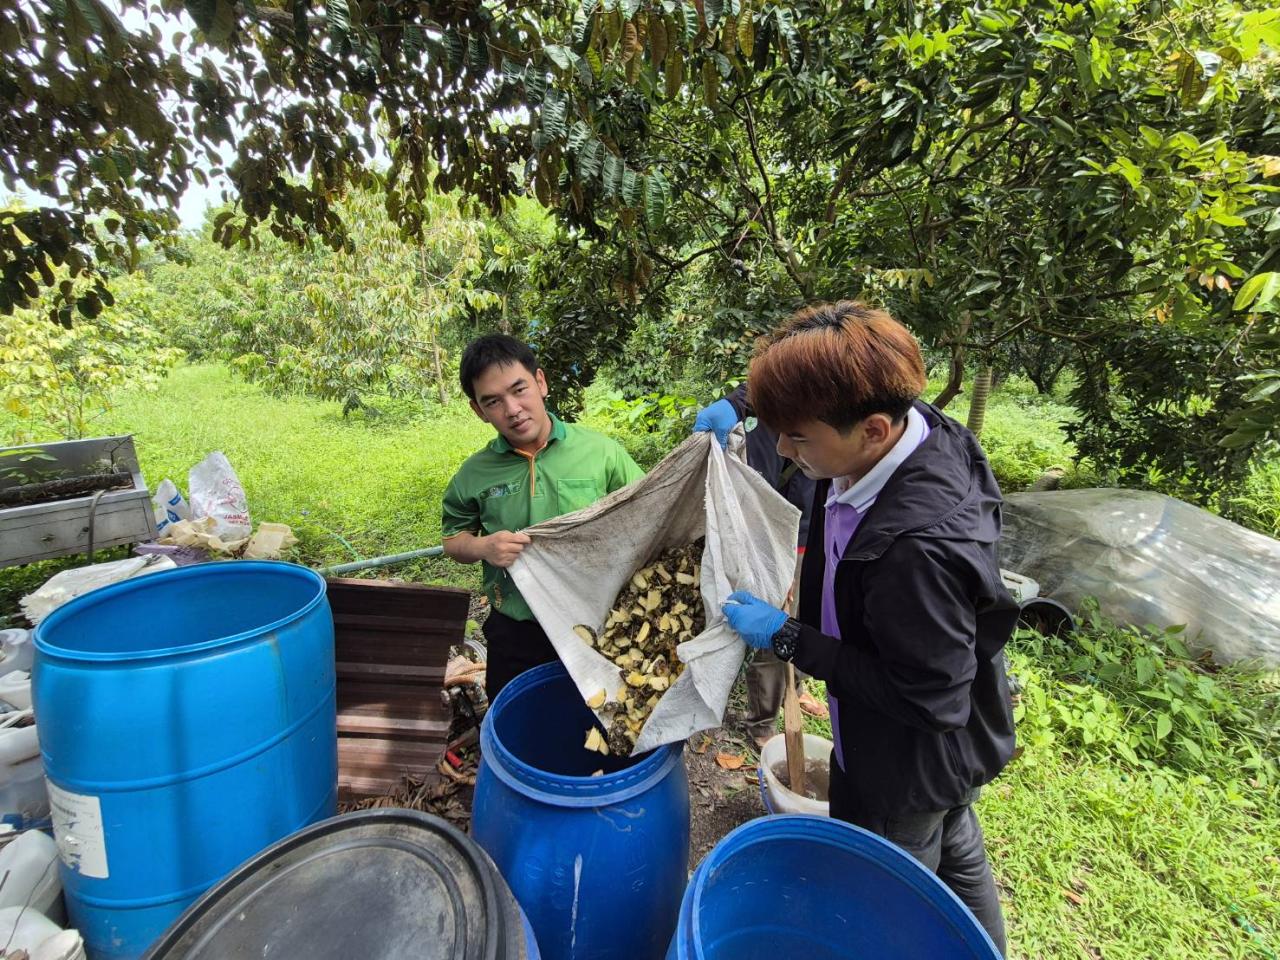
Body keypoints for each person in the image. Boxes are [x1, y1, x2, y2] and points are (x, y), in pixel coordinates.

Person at [718, 301, 1017, 954]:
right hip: (947, 754)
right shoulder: (900, 425)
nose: (785, 452)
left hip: (904, 766)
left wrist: (789, 638)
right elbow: (820, 373)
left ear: (874, 430)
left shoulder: (917, 552)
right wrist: (741, 404)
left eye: (797, 438)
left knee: (882, 900)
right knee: (955, 850)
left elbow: (930, 700)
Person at [442, 335, 645, 702]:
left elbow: (646, 514)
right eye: (493, 401)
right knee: (521, 719)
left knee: (607, 716)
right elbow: (453, 539)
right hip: (517, 628)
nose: (512, 409)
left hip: (598, 619)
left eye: (519, 389)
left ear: (540, 382)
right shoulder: (474, 474)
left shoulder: (602, 454)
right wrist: (484, 547)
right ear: (478, 410)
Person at [693, 397, 828, 747]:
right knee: (772, 629)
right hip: (769, 537)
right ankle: (763, 722)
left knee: (806, 619)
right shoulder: (769, 418)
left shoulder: (834, 411)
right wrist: (735, 403)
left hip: (815, 531)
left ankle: (796, 688)